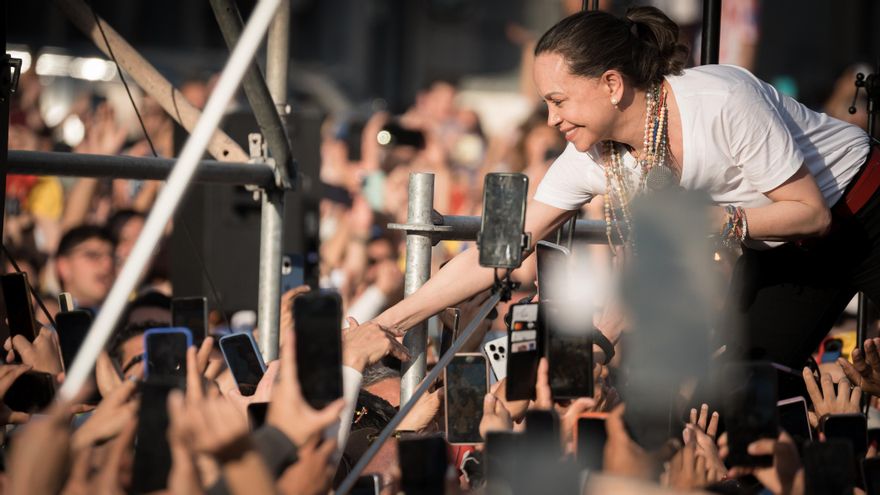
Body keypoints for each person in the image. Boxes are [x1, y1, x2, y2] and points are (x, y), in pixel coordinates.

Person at [372, 6, 876, 370]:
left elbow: (812, 214)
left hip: (863, 205)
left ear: (612, 85)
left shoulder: (722, 100)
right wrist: (386, 324)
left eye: (559, 100)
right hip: (783, 247)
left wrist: (713, 222)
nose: (550, 118)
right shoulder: (590, 157)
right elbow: (496, 250)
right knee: (741, 389)